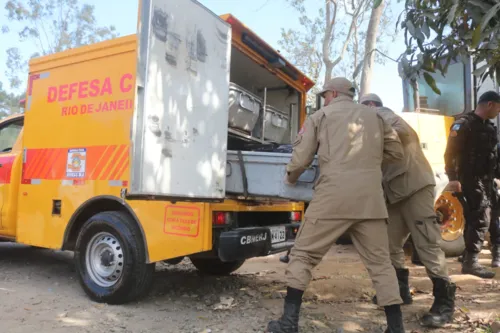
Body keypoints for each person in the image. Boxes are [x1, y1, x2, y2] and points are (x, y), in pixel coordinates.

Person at [267, 77, 406, 333]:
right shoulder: (375, 117)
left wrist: (290, 177)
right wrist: (368, 162)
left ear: (332, 93)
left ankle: (288, 323)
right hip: (370, 201)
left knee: (303, 255)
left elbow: (301, 158)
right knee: (381, 264)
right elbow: (396, 152)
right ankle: (396, 327)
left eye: (324, 95)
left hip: (332, 198)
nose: (324, 99)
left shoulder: (321, 116)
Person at [360, 93, 456, 328]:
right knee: (390, 245)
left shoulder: (386, 116)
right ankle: (401, 290)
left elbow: (398, 131)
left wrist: (373, 120)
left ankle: (444, 303)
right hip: (394, 194)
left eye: (362, 111)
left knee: (427, 244)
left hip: (414, 188)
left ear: (371, 106)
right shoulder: (372, 128)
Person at [444, 90, 500, 279]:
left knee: (486, 216)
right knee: (480, 217)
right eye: (498, 107)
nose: (498, 112)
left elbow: (493, 156)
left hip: (487, 180)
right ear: (490, 104)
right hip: (470, 179)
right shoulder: (464, 125)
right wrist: (452, 178)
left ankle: (469, 256)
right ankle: (471, 262)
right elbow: (449, 153)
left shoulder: (489, 127)